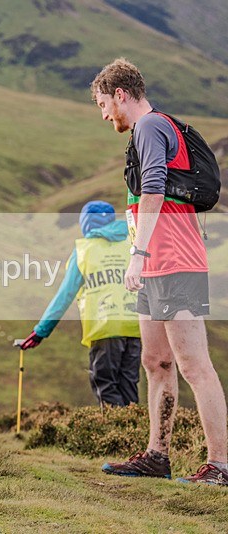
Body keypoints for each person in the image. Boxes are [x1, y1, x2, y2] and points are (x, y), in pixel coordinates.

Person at [91, 58, 227, 485]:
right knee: (155, 360)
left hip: (173, 261)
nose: (104, 115)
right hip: (157, 265)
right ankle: (156, 454)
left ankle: (221, 465)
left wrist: (138, 254)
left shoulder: (150, 127)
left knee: (193, 365)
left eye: (103, 104)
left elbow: (152, 190)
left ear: (121, 95)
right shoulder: (146, 131)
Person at [19, 201, 141, 407]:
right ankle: (134, 433)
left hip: (104, 326)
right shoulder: (132, 244)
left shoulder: (84, 251)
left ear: (85, 224)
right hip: (136, 325)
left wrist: (41, 331)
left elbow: (65, 295)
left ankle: (116, 434)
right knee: (129, 384)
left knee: (105, 384)